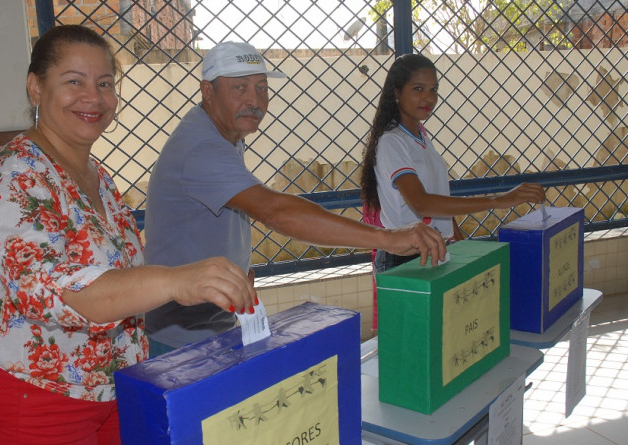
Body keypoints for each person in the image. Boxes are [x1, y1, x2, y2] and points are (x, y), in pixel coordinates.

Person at [0, 25, 256, 445]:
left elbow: (120, 274)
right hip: (39, 397)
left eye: (104, 83)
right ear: (36, 87)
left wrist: (204, 282)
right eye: (74, 81)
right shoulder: (11, 177)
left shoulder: (96, 176)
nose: (94, 97)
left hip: (112, 387)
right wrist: (175, 280)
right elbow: (60, 291)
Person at [143, 41, 447, 355]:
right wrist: (387, 238)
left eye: (262, 88)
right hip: (178, 339)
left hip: (210, 322)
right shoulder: (201, 148)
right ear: (208, 91)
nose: (255, 100)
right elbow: (274, 210)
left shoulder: (223, 133)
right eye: (240, 88)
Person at [360, 53, 546, 274]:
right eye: (418, 89)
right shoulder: (392, 141)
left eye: (434, 90)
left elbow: (436, 199)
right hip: (405, 259)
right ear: (396, 93)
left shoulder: (420, 135)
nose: (429, 98)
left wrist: (458, 243)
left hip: (433, 251)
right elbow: (421, 203)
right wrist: (498, 200)